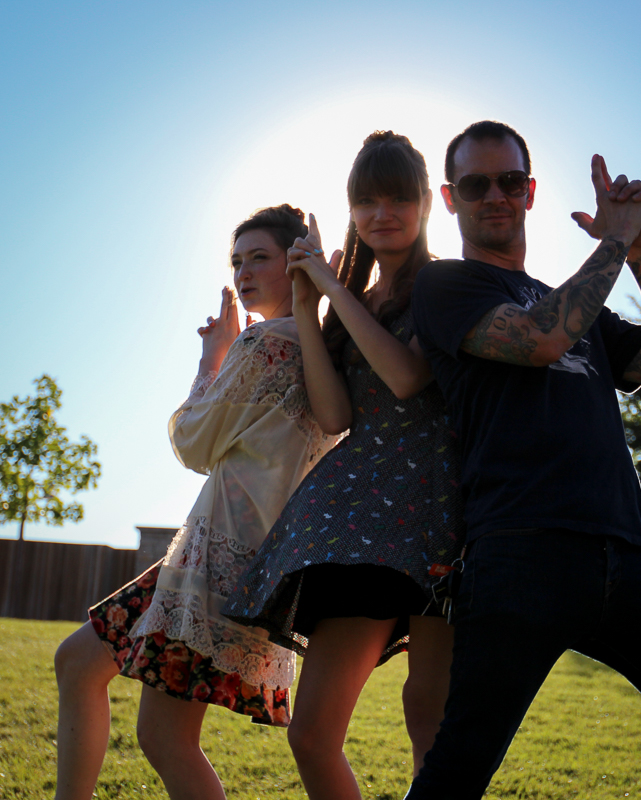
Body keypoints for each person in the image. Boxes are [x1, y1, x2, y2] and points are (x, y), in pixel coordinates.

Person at [404, 121, 641, 799]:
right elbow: (540, 340)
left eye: (509, 181)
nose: (495, 195)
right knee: (458, 770)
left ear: (530, 192)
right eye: (476, 184)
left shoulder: (580, 306)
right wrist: (611, 242)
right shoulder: (444, 286)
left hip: (632, 552)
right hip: (520, 552)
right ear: (450, 199)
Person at [54, 205, 333, 800]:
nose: (243, 272)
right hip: (227, 559)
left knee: (165, 737)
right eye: (237, 261)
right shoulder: (318, 345)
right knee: (78, 663)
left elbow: (192, 441)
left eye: (259, 257)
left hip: (218, 568)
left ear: (295, 263)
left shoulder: (265, 343)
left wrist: (212, 359)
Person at [224, 131, 465, 800]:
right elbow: (333, 416)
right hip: (359, 523)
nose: (382, 214)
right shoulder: (354, 295)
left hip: (440, 511)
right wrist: (309, 305)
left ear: (426, 204)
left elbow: (408, 377)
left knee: (430, 713)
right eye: (366, 202)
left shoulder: (443, 284)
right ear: (351, 209)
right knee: (311, 734)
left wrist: (333, 285)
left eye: (399, 199)